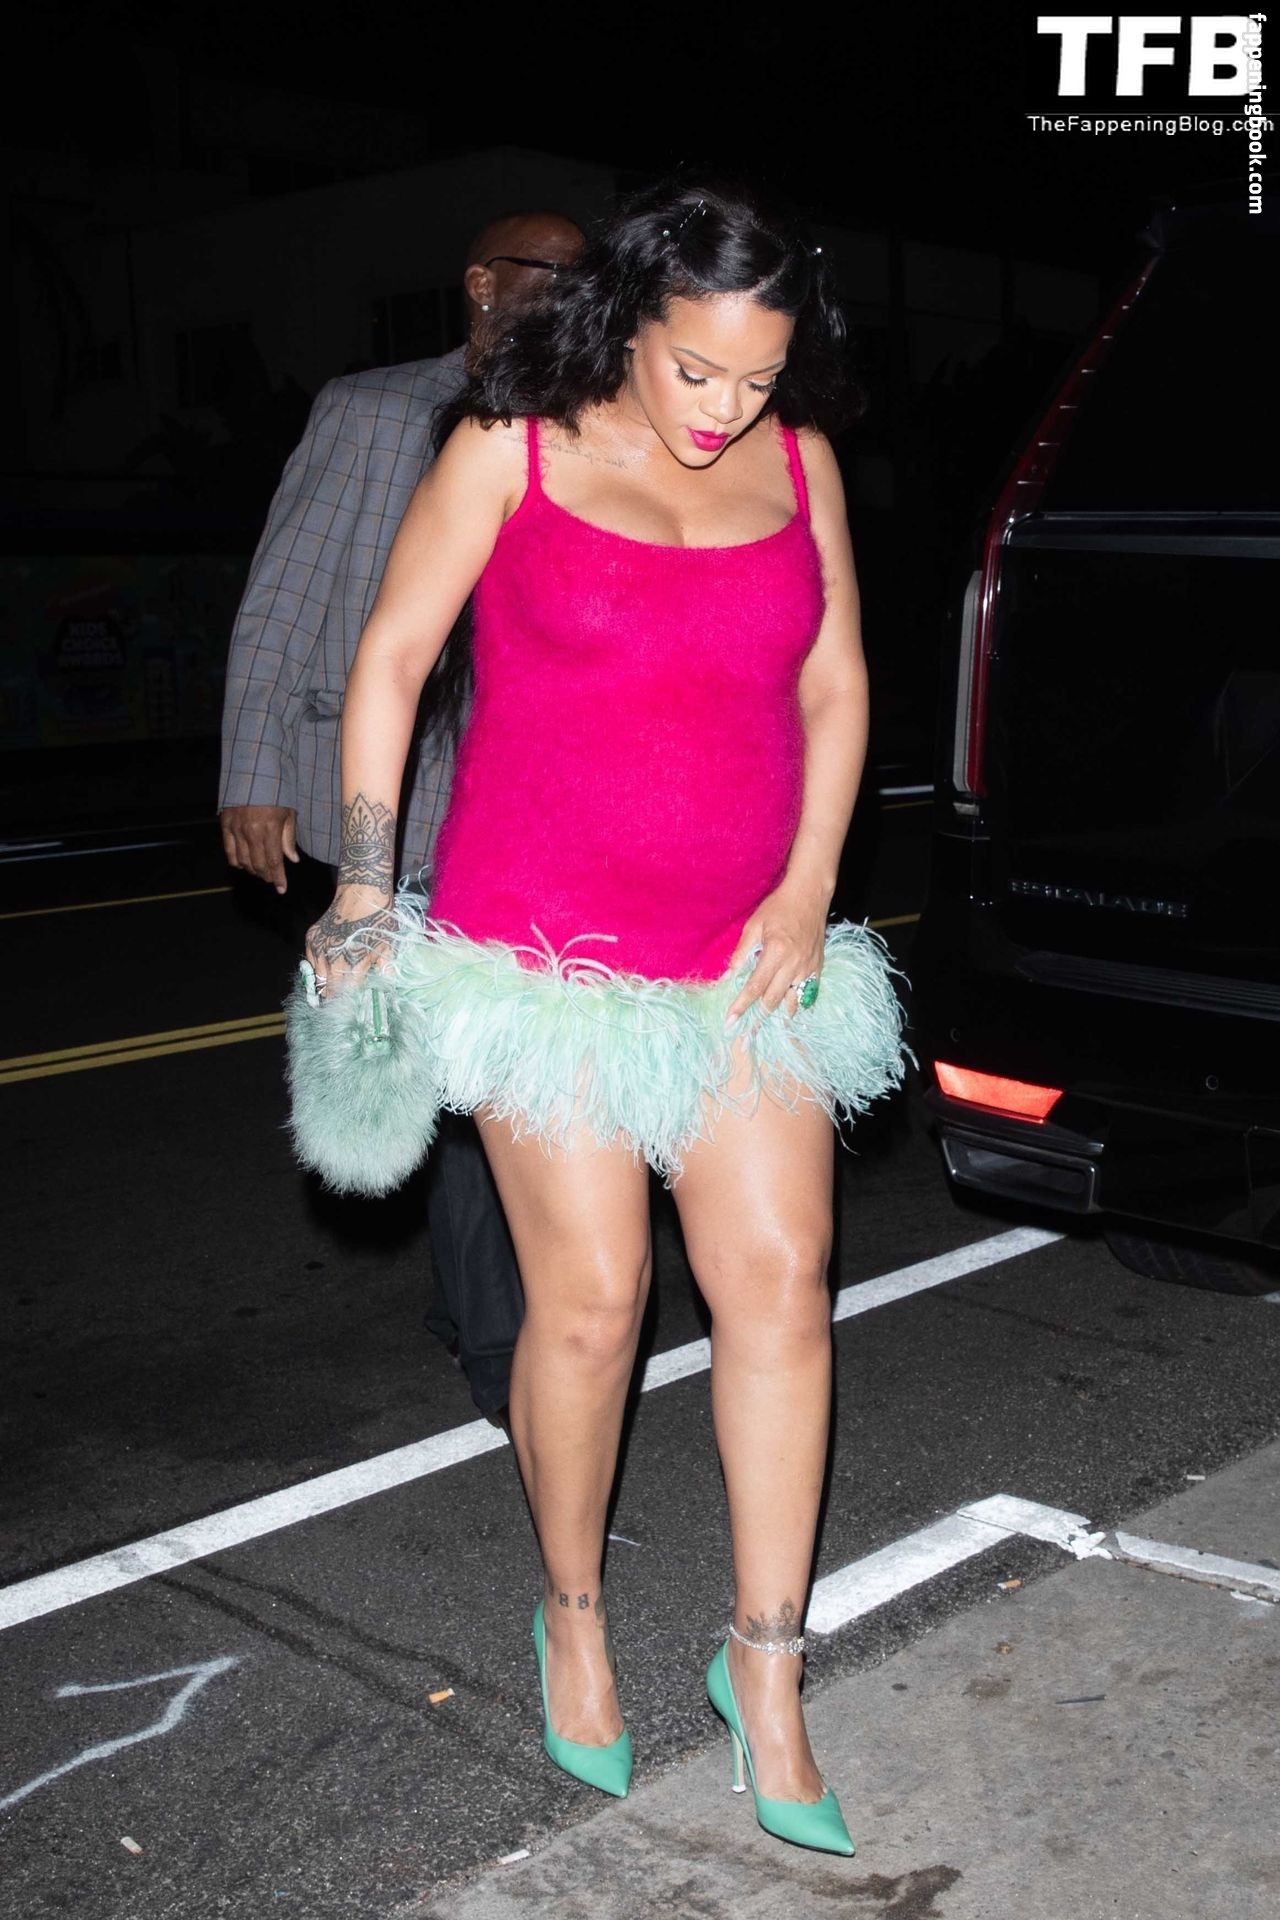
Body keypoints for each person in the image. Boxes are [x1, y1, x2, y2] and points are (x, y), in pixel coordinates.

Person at [286, 173, 914, 1855]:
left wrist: (808, 886)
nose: (725, 409)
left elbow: (836, 680)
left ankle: (765, 1668)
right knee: (591, 1305)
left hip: (742, 958)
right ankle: (571, 1610)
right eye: (696, 369)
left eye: (759, 377)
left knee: (782, 1283)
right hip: (542, 961)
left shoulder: (801, 468)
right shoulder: (513, 449)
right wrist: (366, 889)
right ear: (630, 324)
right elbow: (393, 656)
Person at [217, 210, 586, 1428]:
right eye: (545, 272)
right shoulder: (372, 409)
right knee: (453, 1075)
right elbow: (284, 594)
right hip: (389, 793)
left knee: (485, 1071)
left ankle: (476, 1317)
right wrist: (252, 772)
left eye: (586, 278)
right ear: (480, 282)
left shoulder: (583, 425)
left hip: (522, 802)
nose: (568, 293)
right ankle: (496, 1343)